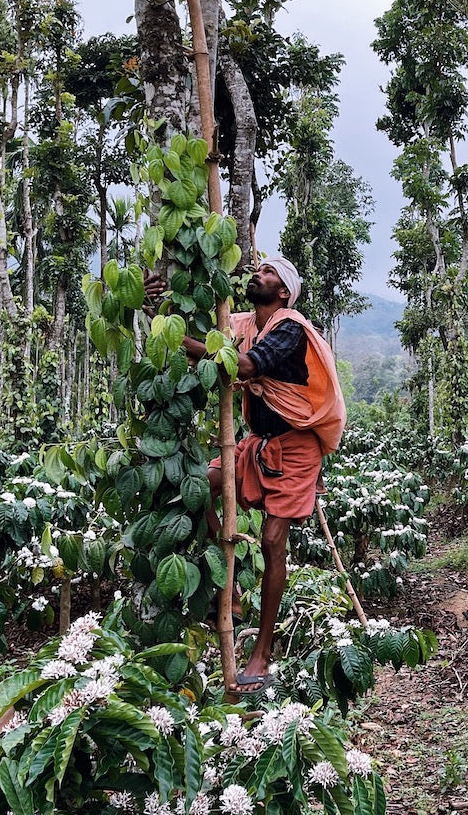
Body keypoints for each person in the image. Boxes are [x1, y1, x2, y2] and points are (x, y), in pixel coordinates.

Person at [145, 256, 346, 695]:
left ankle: (263, 650)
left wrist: (179, 336)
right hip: (256, 442)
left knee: (275, 540)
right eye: (258, 271)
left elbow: (246, 367)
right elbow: (208, 339)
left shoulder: (290, 326)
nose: (258, 275)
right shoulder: (242, 323)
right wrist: (160, 312)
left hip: (296, 446)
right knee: (198, 489)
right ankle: (230, 585)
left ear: (283, 293)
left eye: (269, 274)